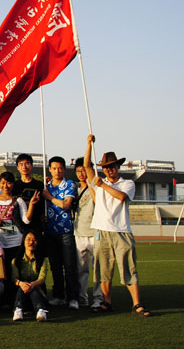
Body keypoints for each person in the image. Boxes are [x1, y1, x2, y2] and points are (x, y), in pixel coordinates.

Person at [84, 135, 151, 316]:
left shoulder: (127, 183)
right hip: (102, 231)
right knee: (103, 270)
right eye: (106, 167)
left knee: (129, 268)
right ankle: (107, 302)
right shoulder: (99, 181)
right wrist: (89, 144)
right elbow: (87, 165)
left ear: (117, 167)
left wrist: (102, 185)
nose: (109, 170)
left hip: (121, 231)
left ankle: (137, 303)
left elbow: (121, 197)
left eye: (112, 166)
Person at [0, 171, 36, 305]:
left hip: (16, 242)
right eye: (3, 183)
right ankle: (6, 302)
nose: (6, 186)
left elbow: (26, 220)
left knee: (16, 272)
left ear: (13, 184)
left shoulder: (18, 200)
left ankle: (19, 301)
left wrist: (32, 205)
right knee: (3, 273)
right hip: (0, 242)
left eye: (9, 183)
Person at [41, 156, 79, 309]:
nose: (57, 171)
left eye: (60, 168)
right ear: (50, 169)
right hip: (50, 231)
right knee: (55, 266)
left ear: (64, 169)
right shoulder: (46, 186)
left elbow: (66, 204)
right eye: (54, 168)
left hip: (66, 230)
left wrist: (49, 197)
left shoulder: (69, 184)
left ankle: (73, 298)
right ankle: (58, 296)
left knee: (69, 266)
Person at [73, 157, 103, 309]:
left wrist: (91, 184)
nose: (81, 174)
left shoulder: (97, 187)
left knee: (98, 268)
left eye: (84, 170)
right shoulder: (74, 188)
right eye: (78, 171)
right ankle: (82, 297)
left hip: (95, 232)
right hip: (79, 233)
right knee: (81, 269)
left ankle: (98, 298)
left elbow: (98, 200)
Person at [12, 230, 50, 322]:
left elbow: (42, 279)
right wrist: (21, 284)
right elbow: (14, 278)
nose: (31, 242)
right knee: (23, 285)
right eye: (28, 239)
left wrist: (32, 285)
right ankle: (18, 310)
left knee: (33, 288)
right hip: (21, 294)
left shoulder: (43, 260)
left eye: (34, 240)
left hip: (38, 293)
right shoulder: (16, 260)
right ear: (23, 241)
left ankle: (41, 311)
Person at [13, 153, 45, 238]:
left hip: (36, 223)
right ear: (17, 167)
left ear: (31, 166)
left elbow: (42, 203)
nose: (24, 167)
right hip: (19, 224)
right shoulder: (14, 185)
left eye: (27, 163)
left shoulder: (39, 185)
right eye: (21, 164)